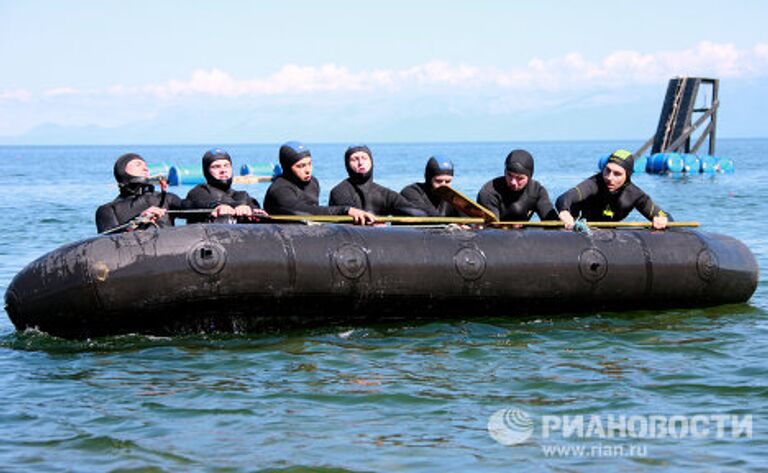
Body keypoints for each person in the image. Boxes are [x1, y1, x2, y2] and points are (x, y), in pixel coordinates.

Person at [263, 141, 376, 225]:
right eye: (300, 166)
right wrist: (345, 210)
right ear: (287, 168)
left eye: (309, 163)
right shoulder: (280, 190)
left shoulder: (313, 183)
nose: (308, 170)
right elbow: (306, 211)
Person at [556, 149, 670, 230]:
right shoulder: (594, 184)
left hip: (610, 234)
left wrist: (663, 220)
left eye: (617, 174)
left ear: (627, 176)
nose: (609, 177)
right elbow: (564, 198)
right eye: (607, 170)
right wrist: (564, 211)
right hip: (581, 228)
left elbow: (664, 216)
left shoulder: (635, 194)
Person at [95, 153, 182, 233]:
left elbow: (190, 207)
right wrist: (138, 220)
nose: (146, 168)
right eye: (138, 165)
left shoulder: (166, 198)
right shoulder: (108, 210)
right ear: (122, 170)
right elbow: (107, 240)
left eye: (146, 166)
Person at [329, 145, 426, 216]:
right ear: (347, 165)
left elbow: (417, 213)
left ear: (372, 162)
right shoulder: (339, 191)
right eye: (355, 159)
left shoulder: (384, 194)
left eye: (364, 158)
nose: (360, 163)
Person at [183, 148, 268, 223]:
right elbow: (191, 204)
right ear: (206, 171)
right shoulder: (198, 192)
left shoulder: (243, 196)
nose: (223, 170)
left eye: (226, 166)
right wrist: (218, 207)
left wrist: (254, 211)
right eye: (216, 167)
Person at [476, 149, 558, 221]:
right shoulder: (489, 192)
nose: (513, 182)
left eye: (520, 178)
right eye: (509, 175)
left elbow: (552, 221)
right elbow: (492, 229)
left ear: (529, 177)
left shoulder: (537, 191)